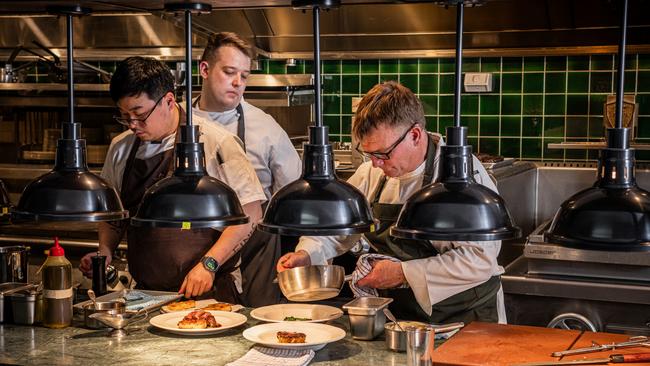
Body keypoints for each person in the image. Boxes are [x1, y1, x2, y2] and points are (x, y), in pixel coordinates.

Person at [277, 81, 507, 324]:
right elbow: (337, 226)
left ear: (415, 135)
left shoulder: (463, 178)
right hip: (404, 319)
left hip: (466, 319)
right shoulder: (373, 174)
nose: (375, 163)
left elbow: (479, 260)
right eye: (369, 154)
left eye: (382, 154)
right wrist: (307, 253)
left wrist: (402, 273)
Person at [79, 57, 266, 304]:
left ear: (168, 101)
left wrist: (209, 264)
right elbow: (115, 213)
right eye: (124, 116)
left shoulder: (217, 143)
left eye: (139, 114)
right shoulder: (121, 148)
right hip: (144, 296)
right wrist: (105, 252)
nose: (133, 125)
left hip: (210, 294)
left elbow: (251, 215)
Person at [193, 32, 301, 306]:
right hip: (192, 250)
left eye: (244, 75)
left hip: (255, 254)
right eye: (229, 72)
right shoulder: (179, 120)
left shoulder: (265, 127)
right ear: (204, 69)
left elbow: (293, 196)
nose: (238, 83)